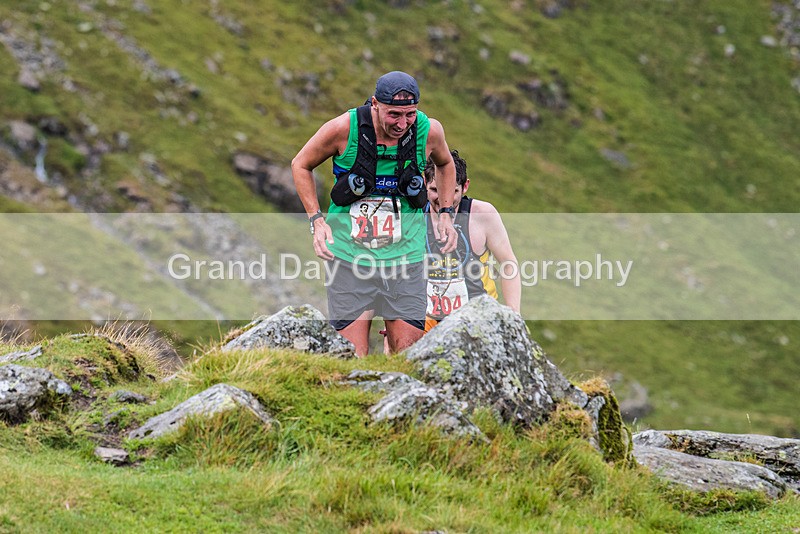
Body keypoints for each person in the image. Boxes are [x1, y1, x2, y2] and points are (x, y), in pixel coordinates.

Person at [291, 71, 458, 356]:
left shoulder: (428, 131)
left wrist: (445, 212)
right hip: (348, 256)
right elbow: (300, 164)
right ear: (375, 104)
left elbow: (445, 164)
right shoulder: (344, 128)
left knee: (408, 355)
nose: (402, 124)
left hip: (406, 257)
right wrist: (316, 221)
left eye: (410, 114)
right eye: (394, 114)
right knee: (351, 357)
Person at [423, 149, 521, 331]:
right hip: (426, 322)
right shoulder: (411, 215)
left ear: (465, 186)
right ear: (424, 182)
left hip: (479, 320)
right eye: (435, 190)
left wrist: (513, 316)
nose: (444, 199)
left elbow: (508, 263)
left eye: (453, 191)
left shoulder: (482, 215)